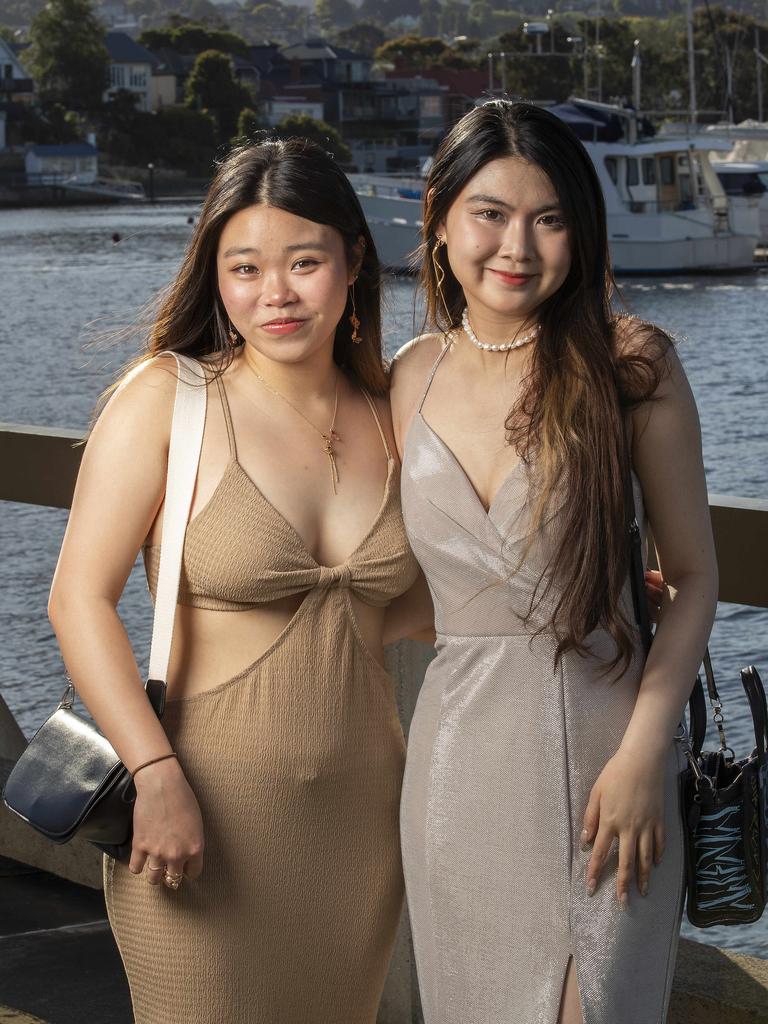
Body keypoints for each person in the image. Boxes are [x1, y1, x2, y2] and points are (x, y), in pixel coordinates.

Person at [47, 138, 422, 1024]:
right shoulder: (167, 398)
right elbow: (77, 600)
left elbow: (409, 609)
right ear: (213, 272)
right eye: (244, 267)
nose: (276, 293)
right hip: (198, 819)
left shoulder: (397, 412)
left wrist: (587, 591)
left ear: (353, 259)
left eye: (304, 262)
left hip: (363, 829)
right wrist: (157, 774)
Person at [390, 100, 718, 1024]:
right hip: (458, 770)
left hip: (611, 763)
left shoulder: (632, 364)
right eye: (490, 213)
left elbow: (694, 578)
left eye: (551, 218)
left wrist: (646, 753)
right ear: (442, 218)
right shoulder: (409, 375)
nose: (517, 247)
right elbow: (391, 578)